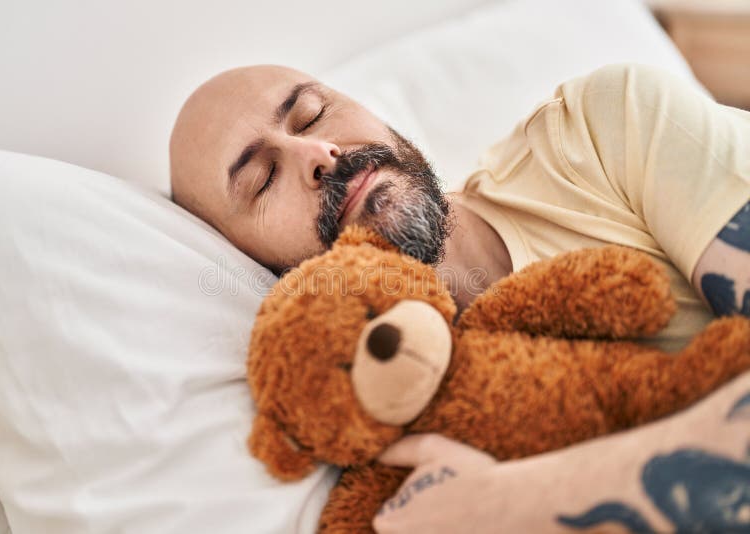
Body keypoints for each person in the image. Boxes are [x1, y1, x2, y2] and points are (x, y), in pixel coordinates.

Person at [169, 63, 750, 532]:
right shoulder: (362, 413)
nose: (318, 154)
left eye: (312, 113)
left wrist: (503, 504)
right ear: (244, 261)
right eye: (262, 180)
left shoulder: (604, 131)